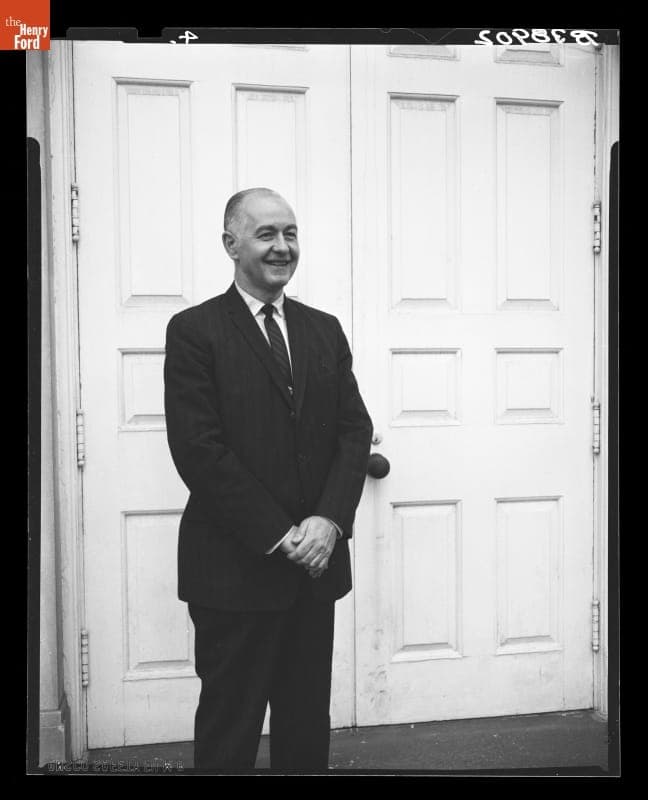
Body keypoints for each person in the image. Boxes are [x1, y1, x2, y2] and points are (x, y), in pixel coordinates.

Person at [163, 187, 373, 772]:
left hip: (316, 573)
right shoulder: (194, 331)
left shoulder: (324, 330)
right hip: (234, 573)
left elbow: (355, 433)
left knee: (306, 729)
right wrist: (285, 536)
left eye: (291, 233)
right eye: (266, 234)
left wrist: (329, 522)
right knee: (230, 731)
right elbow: (199, 452)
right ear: (231, 244)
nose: (283, 247)